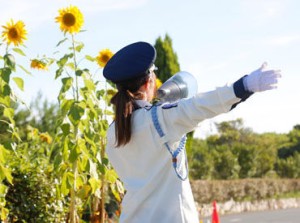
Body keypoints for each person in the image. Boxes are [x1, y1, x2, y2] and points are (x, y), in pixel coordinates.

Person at [103, 41, 281, 223]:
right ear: (149, 82)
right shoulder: (160, 119)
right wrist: (246, 85)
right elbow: (200, 105)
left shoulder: (113, 132)